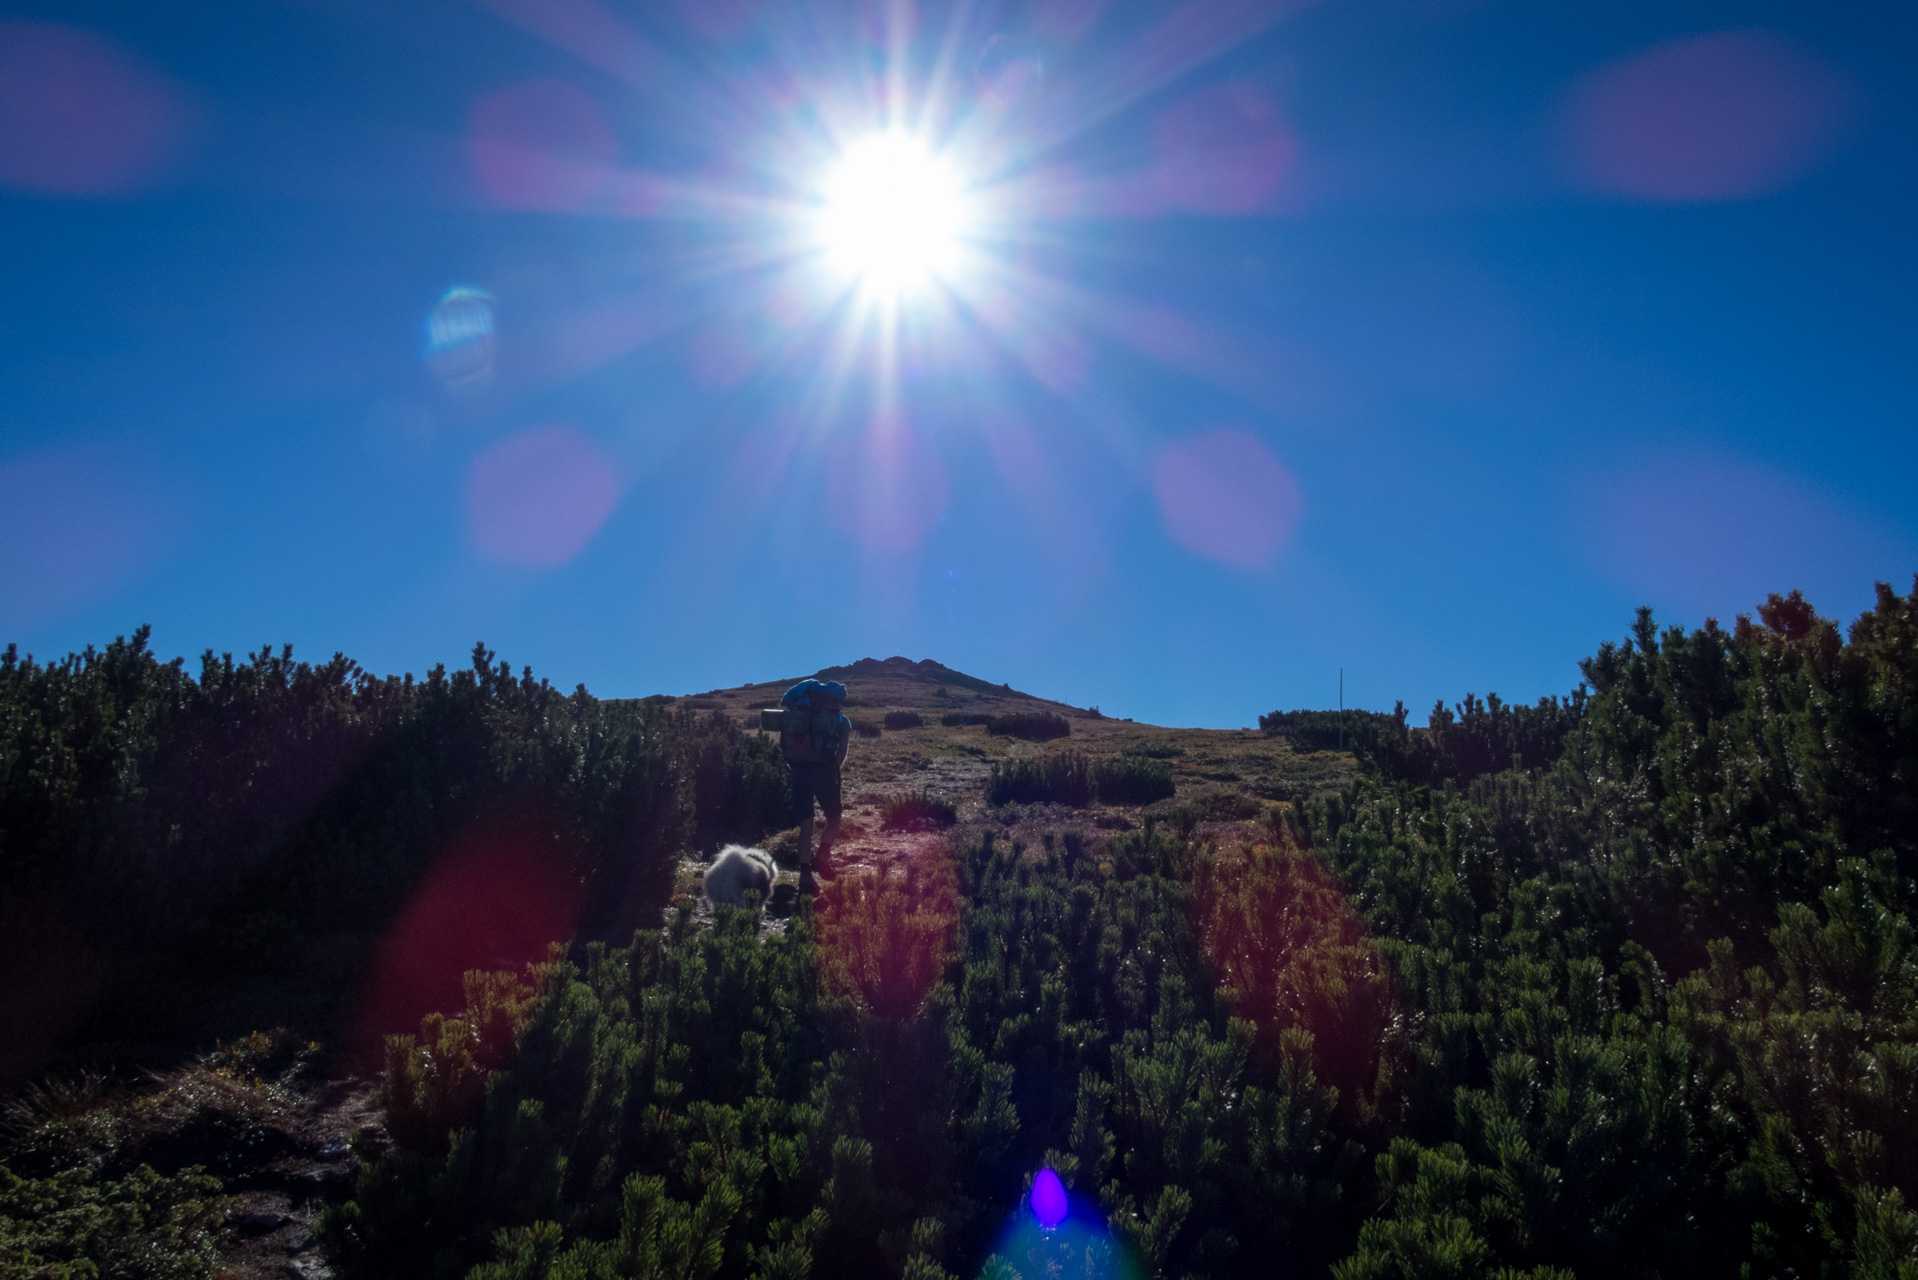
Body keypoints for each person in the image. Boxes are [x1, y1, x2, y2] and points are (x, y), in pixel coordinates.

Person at [776, 678, 850, 892]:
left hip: (798, 771)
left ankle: (805, 876)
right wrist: (831, 769)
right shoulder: (841, 721)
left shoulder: (795, 717)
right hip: (824, 772)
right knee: (834, 818)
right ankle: (823, 854)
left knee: (806, 825)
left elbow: (785, 746)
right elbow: (841, 753)